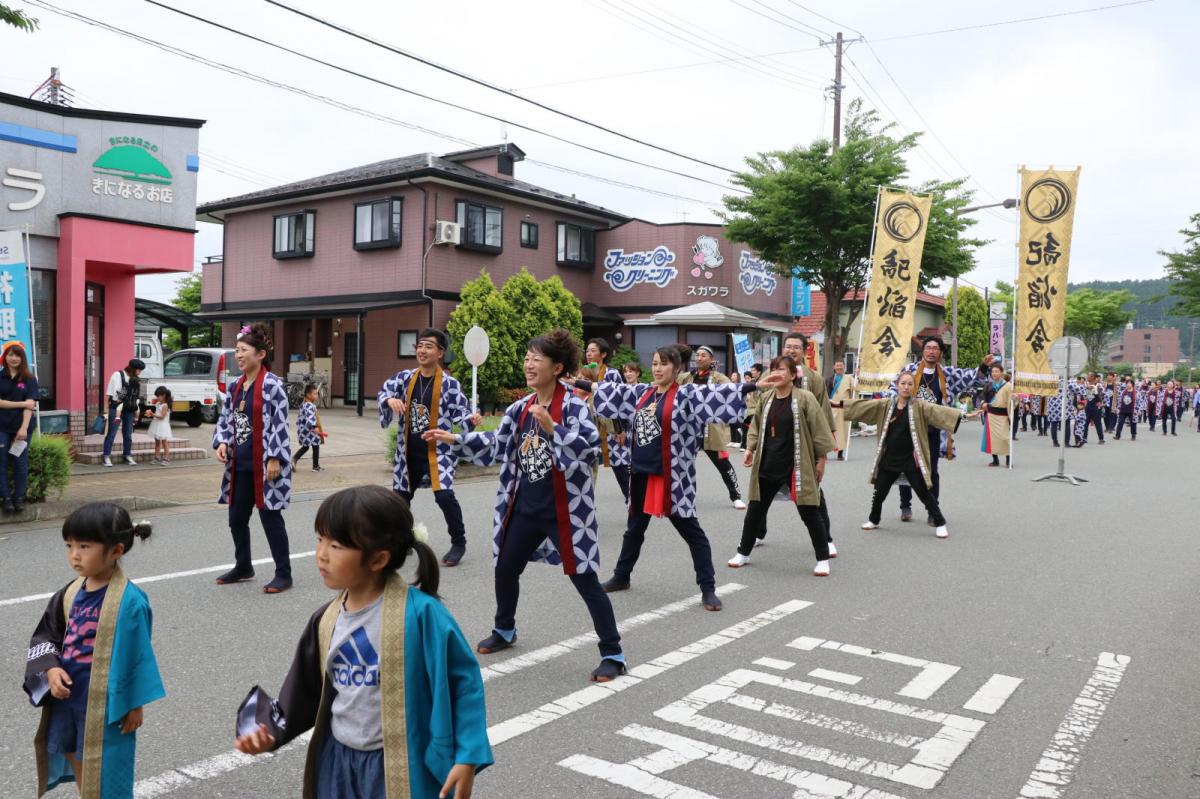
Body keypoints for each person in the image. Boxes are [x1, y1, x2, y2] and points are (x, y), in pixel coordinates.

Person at [232, 486, 493, 798]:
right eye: (320, 540)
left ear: (378, 559)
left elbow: (463, 685)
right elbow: (303, 690)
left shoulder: (423, 615)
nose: (321, 554)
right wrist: (267, 732)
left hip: (399, 764)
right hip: (339, 762)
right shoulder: (326, 620)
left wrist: (467, 755)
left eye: (337, 545)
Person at [433, 330, 627, 681]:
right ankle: (505, 629)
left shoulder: (572, 406)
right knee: (505, 568)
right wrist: (455, 439)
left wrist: (554, 428)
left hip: (565, 511)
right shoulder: (519, 408)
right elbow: (496, 444)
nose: (528, 363)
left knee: (584, 579)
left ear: (557, 367)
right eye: (527, 357)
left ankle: (613, 652)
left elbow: (589, 450)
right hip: (523, 507)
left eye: (536, 358)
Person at [591, 344, 746, 611]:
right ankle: (622, 575)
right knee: (634, 529)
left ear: (676, 368)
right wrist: (573, 382)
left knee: (692, 532)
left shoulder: (687, 395)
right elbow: (611, 392)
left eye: (663, 364)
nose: (657, 369)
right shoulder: (642, 392)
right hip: (640, 470)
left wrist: (754, 387)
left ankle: (708, 588)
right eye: (654, 363)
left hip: (673, 475)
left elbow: (721, 394)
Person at [25, 502, 163, 799]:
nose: (74, 554)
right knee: (73, 752)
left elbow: (138, 655)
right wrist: (51, 669)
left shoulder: (130, 602)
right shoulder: (71, 592)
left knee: (102, 762)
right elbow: (48, 633)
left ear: (116, 550)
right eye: (69, 545)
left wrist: (135, 704)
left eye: (84, 546)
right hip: (67, 694)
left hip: (102, 700)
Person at [378, 328, 480, 567]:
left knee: (444, 495)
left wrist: (471, 421)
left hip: (438, 451)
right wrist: (388, 400)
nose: (422, 351)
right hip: (407, 451)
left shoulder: (450, 385)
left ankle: (459, 541)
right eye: (420, 345)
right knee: (400, 500)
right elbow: (384, 392)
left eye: (428, 346)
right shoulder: (404, 378)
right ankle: (404, 542)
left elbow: (463, 414)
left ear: (440, 352)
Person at [727, 356, 835, 576]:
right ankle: (743, 552)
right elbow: (756, 426)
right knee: (755, 512)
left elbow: (819, 430)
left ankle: (822, 558)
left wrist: (821, 460)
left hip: (796, 465)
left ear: (793, 375)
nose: (776, 372)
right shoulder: (766, 399)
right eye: (773, 369)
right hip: (767, 465)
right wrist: (750, 448)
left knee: (809, 511)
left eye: (782, 369)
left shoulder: (805, 398)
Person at [213, 322, 294, 594]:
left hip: (265, 464)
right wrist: (223, 441)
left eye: (243, 350)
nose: (238, 355)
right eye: (236, 350)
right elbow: (226, 420)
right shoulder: (236, 386)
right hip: (240, 465)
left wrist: (275, 458)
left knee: (271, 518)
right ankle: (244, 566)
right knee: (236, 518)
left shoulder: (273, 386)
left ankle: (284, 573)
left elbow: (280, 425)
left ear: (260, 354)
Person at [845, 372, 967, 539]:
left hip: (910, 459)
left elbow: (939, 412)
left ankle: (940, 523)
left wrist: (962, 416)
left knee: (924, 492)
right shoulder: (886, 405)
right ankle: (874, 520)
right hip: (890, 458)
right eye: (903, 383)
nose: (906, 387)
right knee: (879, 492)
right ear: (897, 385)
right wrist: (839, 405)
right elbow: (864, 407)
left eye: (910, 384)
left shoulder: (920, 405)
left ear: (913, 387)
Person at [889, 336, 993, 524]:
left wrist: (984, 367)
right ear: (923, 351)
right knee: (904, 467)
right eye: (928, 347)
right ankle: (905, 506)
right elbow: (893, 388)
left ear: (940, 353)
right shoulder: (910, 371)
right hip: (909, 427)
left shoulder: (947, 373)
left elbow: (970, 377)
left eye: (935, 348)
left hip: (933, 430)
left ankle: (932, 508)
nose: (931, 351)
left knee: (932, 471)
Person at [678, 345, 745, 510]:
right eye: (697, 355)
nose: (699, 358)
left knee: (723, 464)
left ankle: (736, 496)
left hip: (710, 429)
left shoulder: (718, 378)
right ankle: (681, 496)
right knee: (682, 464)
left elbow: (732, 391)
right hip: (689, 428)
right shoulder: (686, 377)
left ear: (712, 360)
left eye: (703, 355)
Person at [584, 338, 631, 501]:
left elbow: (620, 402)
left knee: (621, 468)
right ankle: (585, 504)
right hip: (589, 427)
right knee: (587, 468)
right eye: (587, 350)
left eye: (593, 351)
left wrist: (621, 429)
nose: (589, 354)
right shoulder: (583, 372)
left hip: (611, 427)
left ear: (603, 354)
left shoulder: (612, 373)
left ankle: (633, 503)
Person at [0, 340, 38, 512]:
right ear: (4, 357)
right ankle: (6, 498)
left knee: (20, 462)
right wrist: (21, 404)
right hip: (1, 427)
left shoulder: (30, 379)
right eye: (10, 354)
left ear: (22, 358)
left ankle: (19, 497)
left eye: (17, 355)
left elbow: (30, 406)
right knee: (1, 461)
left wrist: (23, 428)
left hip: (22, 428)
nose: (13, 358)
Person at [101, 357, 144, 467]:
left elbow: (136, 396)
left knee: (128, 434)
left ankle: (127, 455)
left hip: (129, 409)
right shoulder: (117, 375)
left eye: (140, 370)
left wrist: (136, 411)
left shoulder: (136, 379)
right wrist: (106, 411)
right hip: (116, 408)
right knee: (112, 433)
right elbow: (109, 394)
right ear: (133, 368)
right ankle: (106, 456)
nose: (139, 372)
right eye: (138, 370)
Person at [980, 363, 1012, 467]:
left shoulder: (1008, 386)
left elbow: (1011, 402)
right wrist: (983, 403)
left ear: (1001, 373)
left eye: (997, 371)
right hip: (991, 415)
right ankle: (995, 460)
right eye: (993, 371)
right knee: (992, 439)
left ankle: (1008, 460)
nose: (994, 373)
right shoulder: (988, 385)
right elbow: (983, 398)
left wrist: (1015, 400)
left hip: (1003, 415)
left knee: (1005, 438)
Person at [826, 360, 856, 460]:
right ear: (834, 367)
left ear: (844, 367)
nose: (839, 367)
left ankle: (840, 453)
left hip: (843, 409)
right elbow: (825, 393)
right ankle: (823, 453)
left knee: (842, 432)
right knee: (827, 431)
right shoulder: (829, 379)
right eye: (837, 366)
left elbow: (855, 388)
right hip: (831, 408)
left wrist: (858, 376)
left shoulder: (849, 378)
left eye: (841, 366)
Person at [294, 383, 326, 472]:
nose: (316, 396)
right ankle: (315, 466)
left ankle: (294, 459)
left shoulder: (304, 403)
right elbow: (310, 417)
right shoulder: (309, 405)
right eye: (314, 394)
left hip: (303, 429)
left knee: (306, 447)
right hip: (309, 430)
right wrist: (314, 427)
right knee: (315, 444)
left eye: (317, 394)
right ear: (308, 394)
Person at [146, 386, 173, 465]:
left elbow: (162, 417)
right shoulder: (158, 403)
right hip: (156, 424)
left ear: (163, 395)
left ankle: (166, 458)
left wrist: (152, 414)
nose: (157, 397)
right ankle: (157, 457)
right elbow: (157, 414)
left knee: (164, 442)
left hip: (162, 426)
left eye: (158, 396)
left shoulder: (165, 405)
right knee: (157, 442)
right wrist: (151, 413)